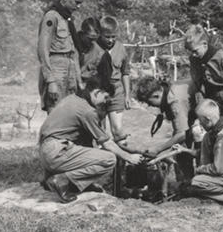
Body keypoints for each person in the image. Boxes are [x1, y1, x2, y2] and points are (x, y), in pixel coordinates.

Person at [38, 75, 142, 203]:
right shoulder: (87, 111)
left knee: (86, 138)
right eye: (105, 97)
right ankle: (62, 180)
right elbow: (107, 143)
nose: (105, 102)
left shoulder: (72, 99)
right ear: (97, 92)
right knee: (109, 159)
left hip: (45, 153)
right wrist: (129, 157)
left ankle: (69, 182)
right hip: (56, 153)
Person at [134, 76, 197, 181]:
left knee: (188, 146)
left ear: (156, 95)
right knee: (179, 145)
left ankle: (189, 183)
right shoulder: (166, 89)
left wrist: (157, 149)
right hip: (195, 111)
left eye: (149, 102)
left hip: (210, 111)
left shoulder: (175, 100)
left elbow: (182, 134)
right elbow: (178, 129)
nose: (149, 106)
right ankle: (185, 181)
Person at [37, 0, 86, 113]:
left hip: (70, 72)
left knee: (68, 119)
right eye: (76, 2)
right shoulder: (51, 17)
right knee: (55, 120)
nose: (78, 6)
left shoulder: (67, 19)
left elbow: (73, 53)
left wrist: (78, 80)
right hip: (56, 71)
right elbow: (43, 51)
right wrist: (51, 81)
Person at [83, 16, 132, 143]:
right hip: (98, 92)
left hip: (116, 91)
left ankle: (123, 160)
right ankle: (105, 160)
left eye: (113, 37)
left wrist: (127, 95)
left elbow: (125, 72)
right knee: (100, 131)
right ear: (100, 34)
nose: (110, 40)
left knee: (118, 130)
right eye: (107, 37)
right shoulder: (93, 48)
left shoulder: (120, 48)